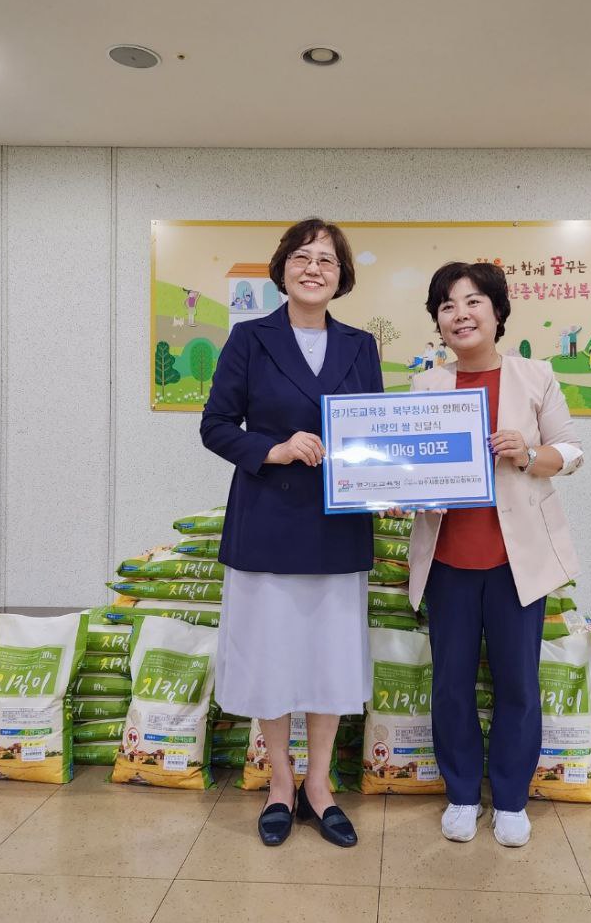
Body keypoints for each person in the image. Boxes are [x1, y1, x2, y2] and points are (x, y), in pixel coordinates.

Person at [199, 218, 382, 849]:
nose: (313, 269)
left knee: (330, 659)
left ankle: (320, 785)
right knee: (271, 658)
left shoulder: (361, 345)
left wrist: (394, 482)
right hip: (268, 524)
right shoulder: (250, 338)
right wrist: (273, 450)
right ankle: (280, 783)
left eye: (327, 260)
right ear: (281, 269)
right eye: (302, 257)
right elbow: (216, 425)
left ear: (342, 276)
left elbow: (374, 432)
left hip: (338, 526)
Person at [404, 261, 583, 849]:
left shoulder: (535, 376)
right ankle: (461, 794)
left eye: (473, 301)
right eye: (447, 305)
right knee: (451, 684)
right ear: (438, 322)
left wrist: (528, 453)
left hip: (516, 562)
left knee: (518, 685)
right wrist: (398, 489)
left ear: (498, 312)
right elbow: (409, 464)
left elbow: (571, 451)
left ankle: (509, 799)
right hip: (448, 560)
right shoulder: (426, 386)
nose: (461, 314)